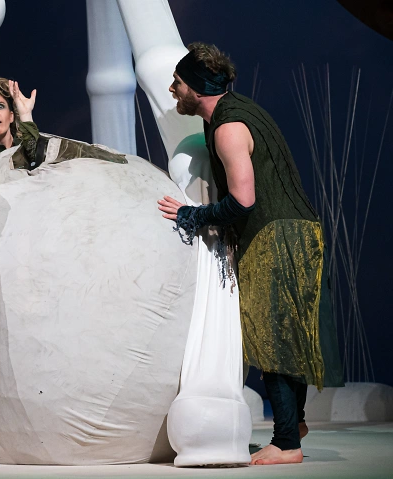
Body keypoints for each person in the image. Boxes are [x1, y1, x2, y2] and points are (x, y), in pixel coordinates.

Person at [158, 42, 342, 465]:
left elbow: (243, 201)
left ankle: (287, 444)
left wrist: (191, 214)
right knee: (290, 333)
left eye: (178, 82)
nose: (172, 89)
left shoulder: (228, 127)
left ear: (197, 89)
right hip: (298, 229)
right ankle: (294, 425)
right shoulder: (242, 110)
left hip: (274, 235)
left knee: (272, 337)